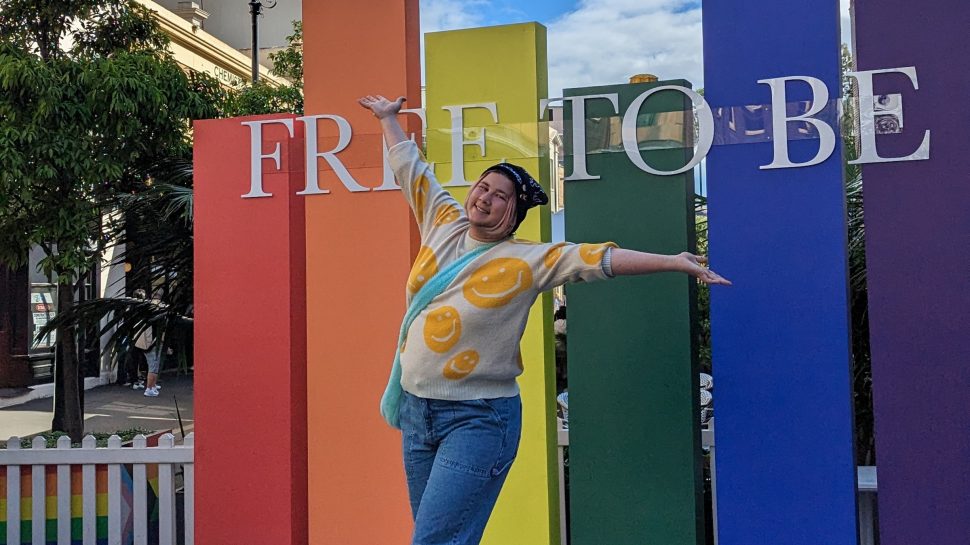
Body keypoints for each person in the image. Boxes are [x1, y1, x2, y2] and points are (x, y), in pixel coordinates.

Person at [358, 95, 730, 545]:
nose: (486, 198)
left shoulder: (528, 259)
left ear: (513, 213)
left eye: (500, 196)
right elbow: (410, 170)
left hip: (477, 419)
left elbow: (595, 258)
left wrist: (672, 261)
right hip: (418, 412)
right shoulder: (444, 223)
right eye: (483, 187)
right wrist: (388, 119)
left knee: (435, 540)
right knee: (445, 537)